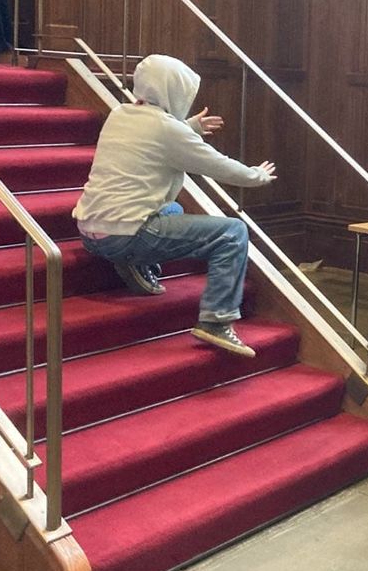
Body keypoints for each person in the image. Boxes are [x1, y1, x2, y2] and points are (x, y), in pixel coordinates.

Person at [73, 54, 277, 358]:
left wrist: (189, 126)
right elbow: (220, 166)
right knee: (233, 232)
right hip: (125, 236)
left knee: (173, 210)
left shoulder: (120, 113)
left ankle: (131, 263)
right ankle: (217, 321)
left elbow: (154, 134)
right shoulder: (169, 130)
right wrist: (257, 175)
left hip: (90, 232)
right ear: (172, 91)